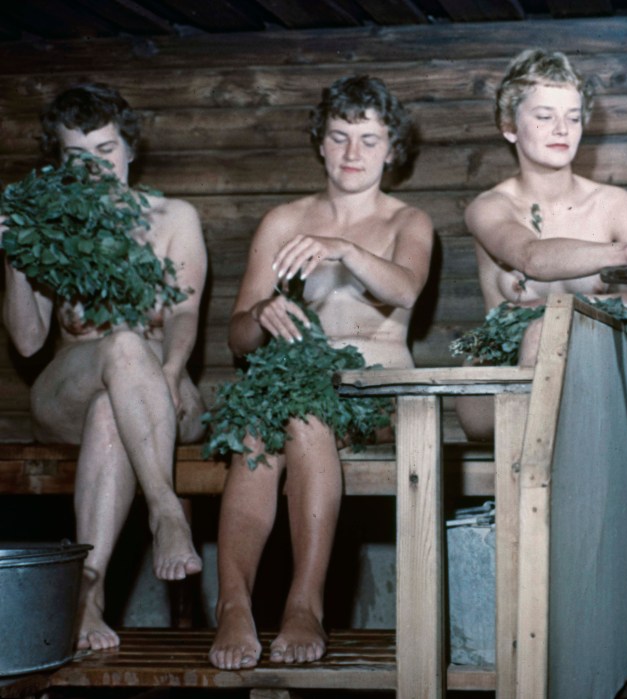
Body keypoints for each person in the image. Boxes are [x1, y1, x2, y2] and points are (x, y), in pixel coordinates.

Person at [208, 76, 433, 670]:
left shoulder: (408, 221)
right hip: (294, 388)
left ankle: (305, 603)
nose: (353, 153)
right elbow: (237, 337)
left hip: (375, 395)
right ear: (320, 142)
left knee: (302, 412)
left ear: (392, 149)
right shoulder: (283, 221)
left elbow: (406, 289)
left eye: (369, 139)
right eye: (339, 137)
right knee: (260, 425)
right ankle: (233, 603)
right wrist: (261, 313)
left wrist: (345, 249)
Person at [1, 83, 207, 650]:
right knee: (122, 344)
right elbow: (27, 342)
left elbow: (185, 313)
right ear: (57, 160)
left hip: (162, 382)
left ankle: (89, 598)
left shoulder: (174, 217)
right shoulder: (45, 223)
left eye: (106, 150)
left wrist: (172, 373)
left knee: (112, 410)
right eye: (76, 156)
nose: (93, 168)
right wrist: (14, 258)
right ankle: (166, 512)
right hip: (67, 385)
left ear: (130, 148)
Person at [456, 49, 627, 439]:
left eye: (573, 118)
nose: (562, 129)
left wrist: (555, 311)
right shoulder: (490, 207)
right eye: (545, 116)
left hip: (586, 382)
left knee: (547, 336)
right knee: (538, 340)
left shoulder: (613, 204)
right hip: (499, 385)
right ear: (509, 126)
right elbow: (531, 258)